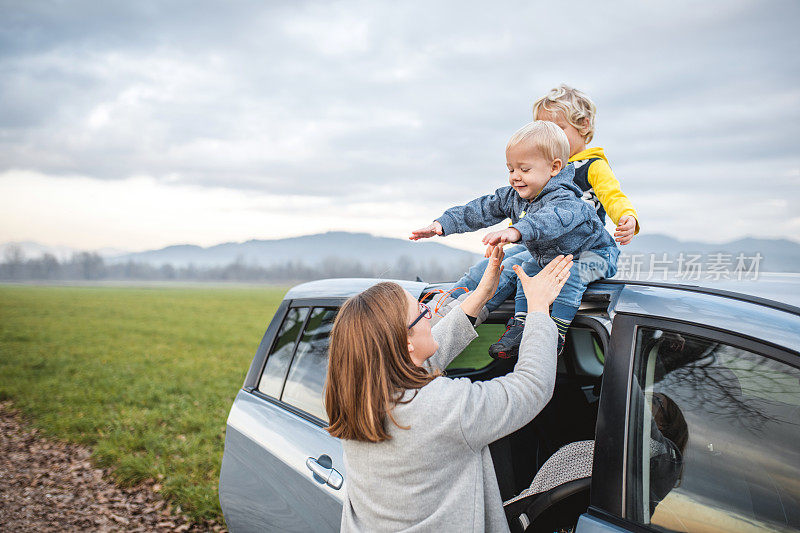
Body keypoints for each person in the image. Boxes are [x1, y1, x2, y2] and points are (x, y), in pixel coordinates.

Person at [325, 248, 573, 532]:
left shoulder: (357, 395)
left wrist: (481, 295)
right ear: (404, 344)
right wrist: (539, 309)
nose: (430, 316)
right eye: (422, 313)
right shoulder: (440, 406)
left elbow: (419, 359)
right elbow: (531, 387)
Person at [414, 84, 639, 359]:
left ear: (583, 125)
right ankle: (448, 306)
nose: (516, 175)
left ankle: (552, 332)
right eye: (512, 169)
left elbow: (590, 204)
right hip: (546, 244)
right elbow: (485, 206)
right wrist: (443, 224)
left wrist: (626, 218)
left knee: (560, 275)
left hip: (589, 251)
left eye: (555, 130)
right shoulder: (529, 179)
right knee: (501, 267)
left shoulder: (585, 173)